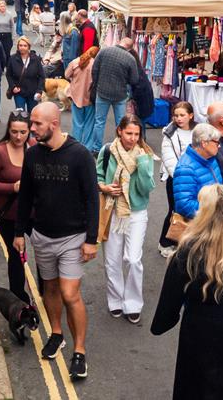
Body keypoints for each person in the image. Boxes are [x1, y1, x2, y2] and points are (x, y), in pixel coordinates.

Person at [150, 184, 223, 400]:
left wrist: (160, 324)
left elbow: (169, 303)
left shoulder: (186, 252)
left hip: (197, 331)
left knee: (192, 388)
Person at [13, 103, 98, 380]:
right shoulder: (33, 155)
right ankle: (57, 334)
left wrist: (91, 239)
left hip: (73, 238)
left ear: (54, 123)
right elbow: (25, 195)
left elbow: (92, 199)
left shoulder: (80, 155)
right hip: (42, 236)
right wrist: (19, 232)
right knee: (48, 288)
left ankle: (80, 351)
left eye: (37, 124)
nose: (32, 130)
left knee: (70, 293)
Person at [96, 114, 155, 324]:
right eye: (129, 133)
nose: (132, 138)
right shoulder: (107, 151)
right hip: (112, 211)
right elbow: (98, 175)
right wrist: (103, 186)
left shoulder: (144, 155)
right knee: (112, 261)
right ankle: (116, 301)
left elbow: (146, 189)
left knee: (133, 259)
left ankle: (133, 303)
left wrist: (143, 166)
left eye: (136, 134)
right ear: (119, 131)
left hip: (136, 212)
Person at [0, 110, 33, 303]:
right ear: (8, 130)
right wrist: (12, 187)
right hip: (8, 215)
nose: (19, 137)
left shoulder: (34, 147)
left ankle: (45, 289)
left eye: (23, 132)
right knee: (16, 255)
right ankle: (18, 296)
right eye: (14, 132)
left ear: (30, 131)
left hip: (32, 214)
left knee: (45, 251)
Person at [158, 102, 196, 257]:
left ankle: (185, 242)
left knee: (192, 213)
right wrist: (181, 177)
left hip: (194, 179)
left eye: (182, 115)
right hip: (176, 179)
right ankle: (165, 243)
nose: (179, 119)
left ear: (191, 115)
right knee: (175, 211)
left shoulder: (197, 131)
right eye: (176, 115)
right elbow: (169, 160)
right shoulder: (169, 134)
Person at [89, 39, 140, 153]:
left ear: (119, 42)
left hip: (102, 91)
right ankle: (120, 147)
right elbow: (134, 79)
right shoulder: (130, 58)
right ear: (130, 48)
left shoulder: (104, 51)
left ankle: (96, 149)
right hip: (120, 94)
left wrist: (97, 84)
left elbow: (94, 70)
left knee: (99, 122)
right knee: (121, 123)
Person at [172, 123, 223, 219]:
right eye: (217, 142)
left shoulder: (211, 159)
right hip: (200, 226)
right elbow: (184, 206)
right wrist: (215, 208)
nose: (219, 146)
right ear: (204, 143)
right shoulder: (185, 169)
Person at [65, 46, 98, 146]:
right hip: (90, 97)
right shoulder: (96, 64)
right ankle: (87, 147)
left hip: (76, 95)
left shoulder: (76, 61)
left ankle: (75, 145)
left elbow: (66, 75)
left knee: (77, 123)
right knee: (89, 123)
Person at [6, 36, 45, 114]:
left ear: (29, 47)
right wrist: (13, 87)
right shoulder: (13, 59)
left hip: (33, 92)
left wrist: (39, 91)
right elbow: (9, 75)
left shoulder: (36, 59)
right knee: (21, 115)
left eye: (25, 46)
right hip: (19, 92)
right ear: (17, 47)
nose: (22, 48)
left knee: (32, 115)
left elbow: (41, 76)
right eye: (20, 45)